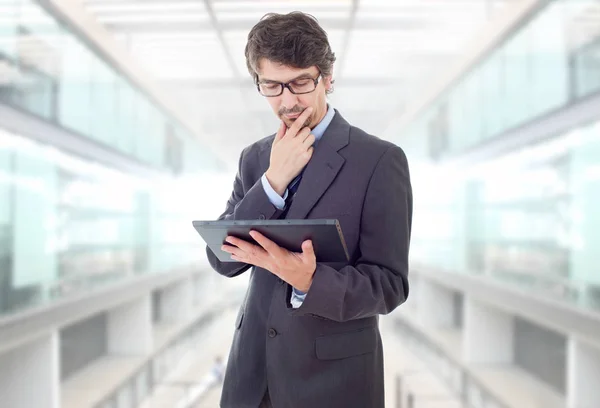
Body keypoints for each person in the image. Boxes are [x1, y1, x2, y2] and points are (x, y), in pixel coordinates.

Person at [205, 11, 412, 408]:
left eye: (301, 82)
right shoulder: (255, 158)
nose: (287, 100)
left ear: (327, 78)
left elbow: (389, 285)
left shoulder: (380, 161)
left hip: (332, 385)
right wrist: (273, 182)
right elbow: (223, 260)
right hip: (251, 379)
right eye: (272, 86)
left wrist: (309, 281)